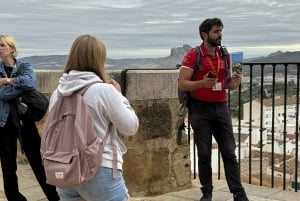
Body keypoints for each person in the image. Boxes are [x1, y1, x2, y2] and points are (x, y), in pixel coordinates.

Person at [49, 34, 139, 201]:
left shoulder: (58, 93)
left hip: (64, 168)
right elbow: (130, 127)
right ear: (99, 59)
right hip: (99, 169)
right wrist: (121, 97)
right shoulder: (104, 91)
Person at [178, 18, 249, 201]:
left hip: (221, 108)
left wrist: (233, 84)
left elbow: (226, 84)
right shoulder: (194, 55)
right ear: (205, 34)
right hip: (200, 109)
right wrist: (201, 83)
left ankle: (238, 193)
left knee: (229, 152)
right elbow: (183, 83)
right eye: (216, 31)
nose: (220, 35)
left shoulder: (224, 54)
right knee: (204, 153)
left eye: (220, 31)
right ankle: (207, 193)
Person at [0, 34, 60, 201]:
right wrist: (17, 86)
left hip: (25, 121)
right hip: (4, 122)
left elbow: (30, 84)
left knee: (39, 162)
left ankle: (53, 196)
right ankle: (15, 198)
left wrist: (5, 81)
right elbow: (2, 95)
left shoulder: (25, 66)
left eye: (2, 45)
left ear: (11, 49)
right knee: (8, 166)